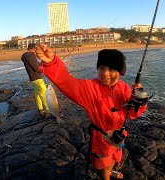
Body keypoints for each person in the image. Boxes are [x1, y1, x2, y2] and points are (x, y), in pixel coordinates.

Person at [36, 43, 148, 180]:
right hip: (101, 139)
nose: (105, 73)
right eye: (102, 68)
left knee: (114, 158)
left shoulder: (125, 88)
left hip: (119, 135)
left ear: (120, 71)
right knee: (102, 165)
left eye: (111, 69)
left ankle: (110, 171)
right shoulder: (89, 88)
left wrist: (140, 98)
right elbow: (66, 81)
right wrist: (51, 63)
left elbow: (132, 114)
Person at [21, 43, 50, 119]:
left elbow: (33, 64)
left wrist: (39, 64)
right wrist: (42, 69)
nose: (37, 50)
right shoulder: (31, 55)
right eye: (36, 48)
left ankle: (40, 109)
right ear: (34, 48)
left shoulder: (25, 56)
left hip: (32, 78)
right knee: (43, 94)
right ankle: (47, 110)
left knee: (37, 94)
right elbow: (36, 68)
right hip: (37, 77)